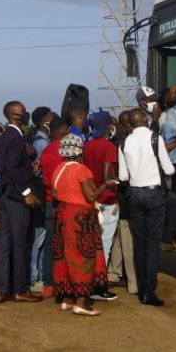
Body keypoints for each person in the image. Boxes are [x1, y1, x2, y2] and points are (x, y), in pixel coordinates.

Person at [118, 108, 175, 306]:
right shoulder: (155, 138)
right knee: (152, 244)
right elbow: (169, 168)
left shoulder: (124, 142)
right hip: (153, 194)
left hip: (134, 195)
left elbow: (123, 176)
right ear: (144, 118)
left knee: (140, 243)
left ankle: (142, 287)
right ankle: (149, 291)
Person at [52, 134, 113, 316]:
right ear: (79, 152)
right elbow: (91, 196)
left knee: (64, 256)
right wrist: (105, 185)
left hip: (62, 215)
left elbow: (55, 195)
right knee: (83, 258)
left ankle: (67, 299)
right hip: (80, 218)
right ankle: (81, 302)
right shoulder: (82, 170)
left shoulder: (59, 169)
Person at [0, 101, 41, 303]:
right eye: (23, 111)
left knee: (5, 243)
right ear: (16, 116)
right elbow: (13, 167)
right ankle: (20, 289)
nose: (25, 113)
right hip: (15, 194)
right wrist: (27, 191)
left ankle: (2, 289)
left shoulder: (3, 137)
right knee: (20, 243)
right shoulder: (15, 137)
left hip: (3, 193)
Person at [82, 111, 120, 302]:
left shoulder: (87, 145)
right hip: (107, 199)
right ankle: (99, 284)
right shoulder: (109, 146)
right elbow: (107, 175)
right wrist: (116, 180)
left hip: (91, 198)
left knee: (92, 243)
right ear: (107, 127)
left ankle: (89, 282)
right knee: (104, 244)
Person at [107, 111, 138, 295]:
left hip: (119, 197)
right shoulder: (125, 145)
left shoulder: (118, 143)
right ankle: (134, 281)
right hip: (126, 197)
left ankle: (113, 271)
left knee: (119, 238)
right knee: (128, 242)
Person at [38, 115, 69, 299]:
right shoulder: (64, 152)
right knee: (65, 244)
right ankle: (62, 282)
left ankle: (48, 284)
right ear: (61, 130)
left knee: (50, 243)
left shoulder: (46, 151)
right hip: (63, 201)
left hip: (49, 200)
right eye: (66, 130)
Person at [28, 106, 53, 293]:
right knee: (38, 237)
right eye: (50, 116)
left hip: (41, 192)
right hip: (40, 192)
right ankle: (33, 276)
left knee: (42, 236)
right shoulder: (41, 144)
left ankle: (40, 275)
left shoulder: (42, 141)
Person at [159, 85, 176, 251]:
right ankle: (169, 237)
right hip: (174, 161)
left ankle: (171, 237)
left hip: (172, 161)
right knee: (174, 200)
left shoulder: (166, 115)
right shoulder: (172, 114)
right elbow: (164, 146)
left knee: (173, 200)